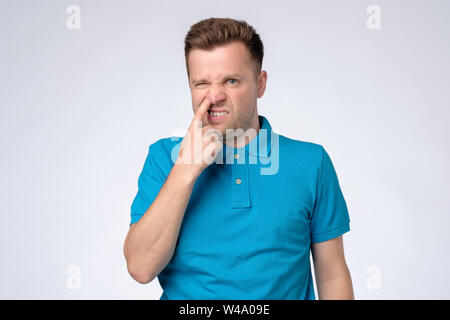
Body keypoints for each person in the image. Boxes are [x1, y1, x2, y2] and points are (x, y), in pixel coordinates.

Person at [123, 17, 354, 300]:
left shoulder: (311, 163)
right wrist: (185, 170)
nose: (214, 95)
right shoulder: (164, 159)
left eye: (231, 81)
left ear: (260, 84)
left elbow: (332, 277)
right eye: (201, 83)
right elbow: (140, 267)